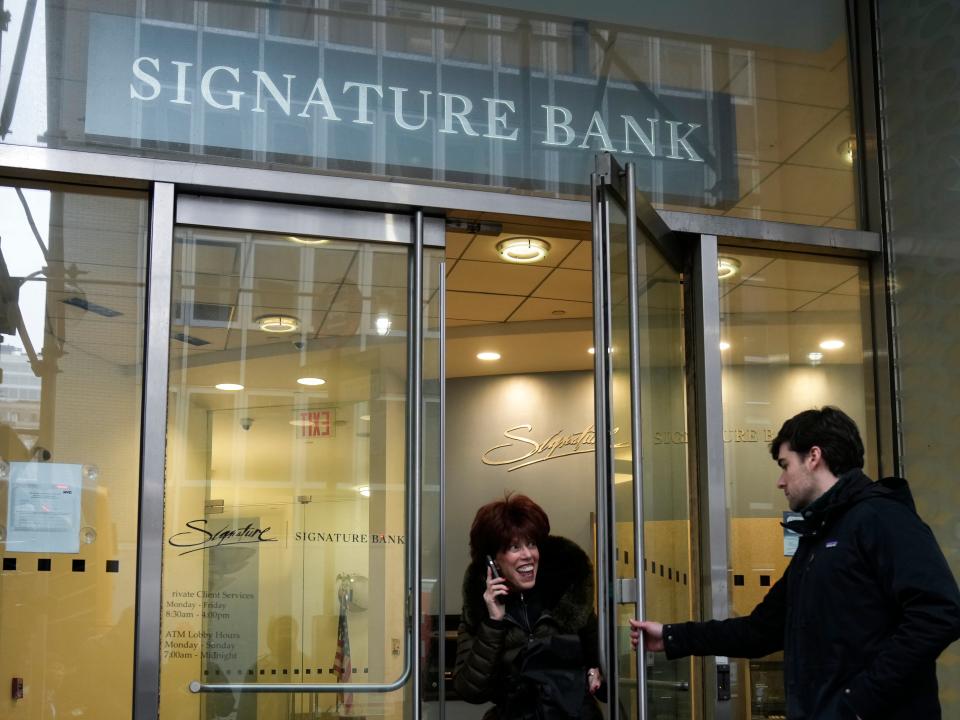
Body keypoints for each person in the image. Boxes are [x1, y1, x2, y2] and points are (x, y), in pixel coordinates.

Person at [630, 406, 960, 719]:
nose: (780, 481)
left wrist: (859, 702)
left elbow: (939, 612)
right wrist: (672, 636)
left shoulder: (881, 517)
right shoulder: (819, 538)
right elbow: (761, 631)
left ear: (814, 457)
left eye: (785, 465)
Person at [454, 493, 605, 720]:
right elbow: (470, 690)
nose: (528, 555)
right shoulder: (480, 612)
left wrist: (596, 672)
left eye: (532, 544)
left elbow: (605, 672)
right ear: (493, 561)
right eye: (514, 547)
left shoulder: (568, 597)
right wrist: (494, 622)